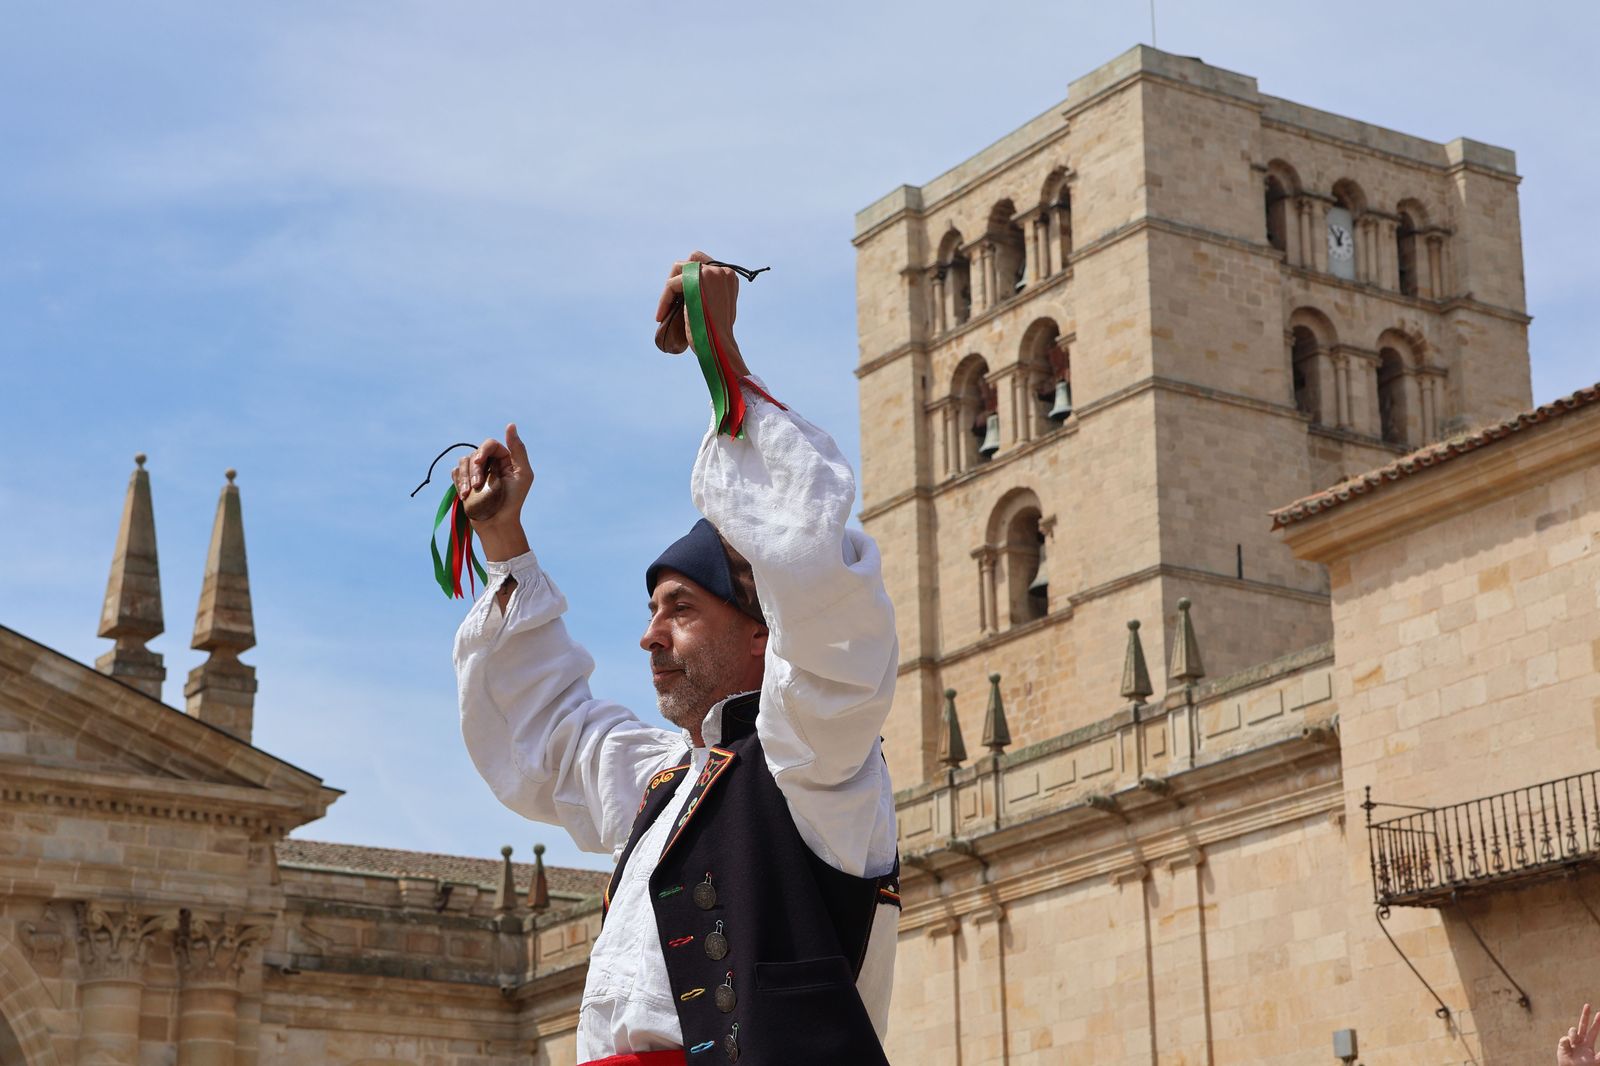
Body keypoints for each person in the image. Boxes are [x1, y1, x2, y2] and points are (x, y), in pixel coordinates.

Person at [451, 252, 900, 1066]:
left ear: (765, 632)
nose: (651, 636)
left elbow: (824, 598)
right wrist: (505, 543)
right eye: (652, 611)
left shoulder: (817, 761)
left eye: (682, 610)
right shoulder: (666, 781)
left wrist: (720, 357)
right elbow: (553, 731)